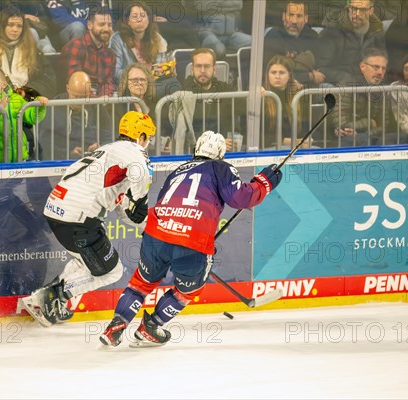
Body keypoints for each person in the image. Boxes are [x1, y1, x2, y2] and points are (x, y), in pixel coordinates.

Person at [99, 131, 283, 347]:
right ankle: (152, 327)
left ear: (196, 149)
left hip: (157, 235)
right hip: (192, 242)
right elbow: (240, 197)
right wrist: (265, 182)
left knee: (141, 284)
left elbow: (165, 203)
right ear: (220, 154)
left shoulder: (177, 171)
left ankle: (115, 326)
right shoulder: (220, 167)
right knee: (189, 289)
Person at [20, 111, 156, 327]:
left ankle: (47, 298)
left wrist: (146, 224)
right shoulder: (135, 154)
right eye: (148, 138)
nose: (147, 144)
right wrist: (144, 208)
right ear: (141, 137)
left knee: (84, 261)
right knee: (112, 271)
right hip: (79, 218)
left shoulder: (107, 152)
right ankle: (50, 296)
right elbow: (140, 181)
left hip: (57, 211)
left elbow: (126, 213)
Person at [0, 7, 57, 99]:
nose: (15, 29)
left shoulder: (34, 52)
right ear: (2, 26)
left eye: (19, 26)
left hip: (27, 104)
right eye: (10, 25)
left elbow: (48, 82)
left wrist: (24, 92)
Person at [0, 66, 49, 163]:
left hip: (19, 157)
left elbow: (31, 117)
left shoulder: (16, 99)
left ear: (4, 84)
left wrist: (39, 106)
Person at [109, 1, 179, 97]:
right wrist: (139, 75)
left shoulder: (157, 39)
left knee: (173, 83)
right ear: (128, 21)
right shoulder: (118, 39)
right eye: (135, 16)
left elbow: (160, 67)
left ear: (148, 20)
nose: (139, 19)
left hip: (152, 84)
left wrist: (166, 70)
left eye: (143, 16)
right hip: (130, 86)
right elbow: (115, 72)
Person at [39, 71, 112, 160]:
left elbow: (109, 135)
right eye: (76, 96)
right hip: (62, 161)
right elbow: (46, 142)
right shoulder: (54, 107)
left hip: (93, 159)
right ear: (67, 88)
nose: (79, 101)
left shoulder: (96, 105)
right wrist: (68, 152)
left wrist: (100, 147)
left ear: (90, 92)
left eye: (83, 97)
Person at [330, 48, 394, 146]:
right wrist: (370, 122)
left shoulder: (382, 90)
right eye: (376, 67)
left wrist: (366, 133)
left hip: (370, 136)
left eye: (383, 68)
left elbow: (384, 125)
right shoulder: (345, 87)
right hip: (344, 138)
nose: (380, 72)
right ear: (362, 66)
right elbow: (342, 124)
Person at [318, 0, 386, 85]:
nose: (357, 14)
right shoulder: (332, 30)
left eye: (362, 10)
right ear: (349, 8)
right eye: (354, 9)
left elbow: (383, 62)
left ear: (370, 11)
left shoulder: (377, 31)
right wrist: (344, 77)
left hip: (366, 83)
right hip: (339, 84)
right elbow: (320, 68)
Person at [263, 1, 324, 87]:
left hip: (310, 89)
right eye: (291, 15)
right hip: (281, 90)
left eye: (299, 16)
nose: (294, 21)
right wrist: (309, 76)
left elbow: (319, 72)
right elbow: (273, 75)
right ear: (284, 16)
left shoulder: (312, 36)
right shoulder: (273, 37)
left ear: (306, 19)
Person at [61, 6, 116, 97]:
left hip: (100, 103)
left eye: (109, 25)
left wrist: (105, 96)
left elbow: (108, 83)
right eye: (101, 24)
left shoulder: (110, 54)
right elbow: (75, 82)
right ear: (89, 25)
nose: (106, 29)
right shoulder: (76, 46)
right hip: (76, 100)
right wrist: (97, 101)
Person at [261, 55, 307, 149]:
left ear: (289, 75)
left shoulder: (298, 95)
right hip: (270, 147)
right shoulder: (262, 95)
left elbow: (305, 125)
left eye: (281, 73)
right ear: (267, 75)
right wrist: (283, 140)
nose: (277, 76)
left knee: (315, 149)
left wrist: (306, 139)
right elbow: (254, 135)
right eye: (273, 72)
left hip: (295, 145)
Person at [182, 0, 252, 58]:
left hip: (231, 33)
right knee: (218, 50)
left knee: (257, 45)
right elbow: (201, 5)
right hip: (206, 33)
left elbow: (238, 4)